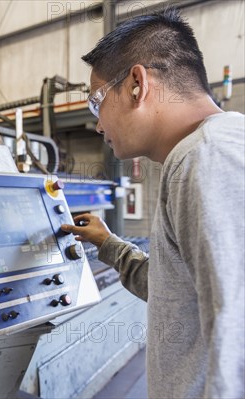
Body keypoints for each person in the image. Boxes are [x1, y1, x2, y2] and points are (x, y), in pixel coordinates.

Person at [61, 8, 245, 399]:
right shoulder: (197, 156)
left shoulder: (208, 159)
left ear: (136, 85)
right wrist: (108, 244)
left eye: (96, 102)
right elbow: (175, 292)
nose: (97, 124)